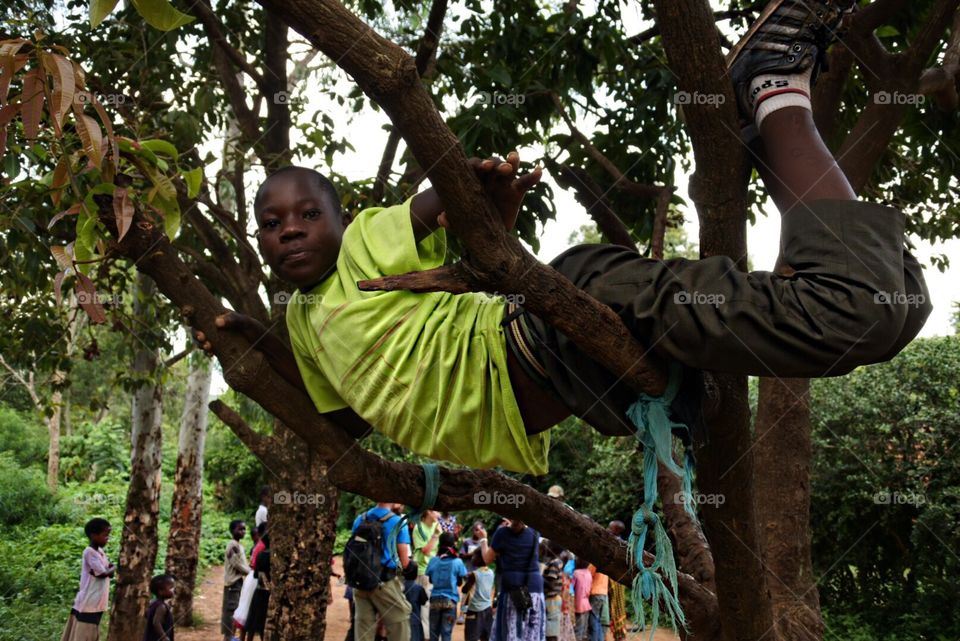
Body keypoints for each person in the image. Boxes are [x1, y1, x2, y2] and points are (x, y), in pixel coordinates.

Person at [197, 0, 930, 480]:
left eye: (305, 215)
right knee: (882, 306)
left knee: (861, 309)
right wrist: (252, 341)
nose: (288, 229)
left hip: (556, 314)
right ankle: (771, 125)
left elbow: (436, 198)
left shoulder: (364, 246)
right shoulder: (305, 323)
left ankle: (773, 91)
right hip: (580, 382)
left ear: (339, 218)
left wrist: (476, 188)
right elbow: (343, 417)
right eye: (271, 222)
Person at [351, 502, 413, 641]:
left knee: (363, 626)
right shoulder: (398, 522)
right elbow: (405, 562)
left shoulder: (360, 519)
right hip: (383, 582)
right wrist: (410, 569)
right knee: (400, 619)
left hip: (360, 581)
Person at [477, 520, 544, 641]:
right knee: (532, 633)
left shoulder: (502, 533)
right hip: (534, 588)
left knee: (511, 632)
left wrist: (483, 539)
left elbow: (487, 559)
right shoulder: (535, 532)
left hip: (513, 591)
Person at [61, 518, 116, 641]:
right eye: (105, 535)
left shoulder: (100, 552)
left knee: (93, 626)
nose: (107, 538)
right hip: (90, 598)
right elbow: (102, 573)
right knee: (85, 628)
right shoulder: (89, 552)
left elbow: (108, 573)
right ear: (93, 535)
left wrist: (110, 570)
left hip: (98, 598)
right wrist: (113, 568)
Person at [425, 533, 468, 641]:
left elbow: (430, 579)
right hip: (450, 600)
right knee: (446, 633)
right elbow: (460, 582)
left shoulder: (433, 560)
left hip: (435, 600)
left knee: (433, 632)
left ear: (440, 543)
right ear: (453, 544)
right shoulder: (457, 562)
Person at [412, 509, 441, 638]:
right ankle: (426, 636)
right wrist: (435, 535)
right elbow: (426, 551)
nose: (439, 514)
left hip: (434, 571)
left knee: (429, 605)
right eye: (436, 511)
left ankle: (427, 635)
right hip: (422, 572)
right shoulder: (419, 528)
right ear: (428, 512)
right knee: (423, 605)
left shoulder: (437, 526)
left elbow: (440, 549)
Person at [222, 520, 251, 641]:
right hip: (233, 585)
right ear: (232, 530)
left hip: (237, 584)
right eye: (240, 529)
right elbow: (237, 564)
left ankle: (231, 637)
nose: (243, 532)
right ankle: (228, 638)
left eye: (244, 529)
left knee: (235, 613)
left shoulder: (239, 545)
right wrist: (251, 573)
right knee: (231, 613)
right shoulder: (232, 545)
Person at [462, 549, 495, 641]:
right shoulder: (491, 572)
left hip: (474, 610)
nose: (472, 558)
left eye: (475, 556)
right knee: (485, 636)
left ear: (481, 559)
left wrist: (467, 579)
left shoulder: (474, 574)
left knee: (471, 636)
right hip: (487, 609)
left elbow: (465, 590)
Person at [244, 530, 271, 641]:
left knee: (253, 622)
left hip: (259, 591)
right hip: (268, 593)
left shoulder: (260, 555)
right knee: (264, 623)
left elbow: (256, 575)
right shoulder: (273, 556)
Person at [605, 521, 629, 641]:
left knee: (617, 605)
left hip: (616, 580)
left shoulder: (620, 544)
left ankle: (620, 634)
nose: (607, 529)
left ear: (617, 531)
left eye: (610, 528)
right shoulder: (614, 542)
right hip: (609, 579)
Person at [541, 541, 564, 641]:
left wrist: (538, 576)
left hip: (551, 599)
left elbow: (551, 584)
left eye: (548, 546)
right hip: (553, 599)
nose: (546, 548)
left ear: (552, 549)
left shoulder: (554, 563)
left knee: (550, 630)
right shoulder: (558, 561)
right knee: (550, 627)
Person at [143, 575, 176, 641]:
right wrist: (164, 637)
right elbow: (156, 622)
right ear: (160, 591)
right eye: (171, 588)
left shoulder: (153, 603)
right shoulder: (161, 606)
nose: (174, 590)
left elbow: (147, 615)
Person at [402, 561, 429, 641]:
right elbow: (424, 602)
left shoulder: (400, 588)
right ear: (416, 574)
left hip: (402, 619)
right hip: (415, 621)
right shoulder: (419, 588)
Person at [571, 558, 592, 641]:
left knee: (578, 630)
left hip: (578, 604)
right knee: (584, 630)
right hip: (587, 604)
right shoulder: (589, 573)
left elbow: (571, 588)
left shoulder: (576, 573)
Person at [586, 564, 608, 641]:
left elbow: (587, 576)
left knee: (593, 621)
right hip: (604, 594)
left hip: (595, 593)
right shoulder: (606, 564)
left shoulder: (594, 564)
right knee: (598, 622)